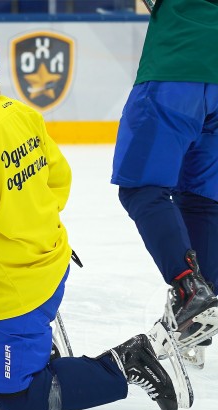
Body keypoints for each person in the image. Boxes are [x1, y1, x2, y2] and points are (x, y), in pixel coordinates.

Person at [0, 25, 190, 410]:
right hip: (48, 253)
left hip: (17, 287)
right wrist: (26, 219)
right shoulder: (17, 111)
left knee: (18, 398)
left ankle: (127, 361)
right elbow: (58, 179)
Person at [111, 0, 218, 368]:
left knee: (143, 185)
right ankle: (197, 318)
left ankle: (190, 290)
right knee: (202, 195)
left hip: (176, 64)